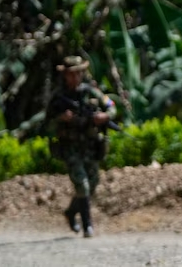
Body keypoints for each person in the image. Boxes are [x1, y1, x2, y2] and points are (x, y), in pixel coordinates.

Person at [46, 55, 116, 238]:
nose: (75, 77)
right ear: (66, 75)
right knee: (82, 185)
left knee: (93, 184)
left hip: (90, 146)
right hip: (70, 147)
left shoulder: (91, 92)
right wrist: (61, 119)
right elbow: (46, 124)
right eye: (71, 74)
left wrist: (105, 116)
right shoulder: (58, 98)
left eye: (78, 73)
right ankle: (87, 225)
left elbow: (111, 105)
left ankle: (71, 212)